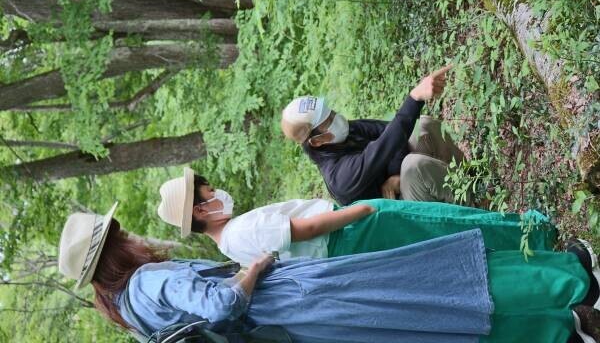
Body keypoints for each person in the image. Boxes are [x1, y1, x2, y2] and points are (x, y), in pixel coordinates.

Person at [59, 203, 600, 342]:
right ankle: (572, 283)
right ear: (114, 252)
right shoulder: (150, 282)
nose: (132, 238)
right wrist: (255, 269)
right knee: (437, 281)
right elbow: (223, 304)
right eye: (121, 237)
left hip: (304, 327)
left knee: (430, 324)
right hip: (306, 299)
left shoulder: (134, 315)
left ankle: (559, 329)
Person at [157, 168, 557, 267]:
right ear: (199, 210)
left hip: (346, 246)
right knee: (439, 221)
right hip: (351, 230)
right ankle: (532, 232)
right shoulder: (241, 230)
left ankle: (526, 246)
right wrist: (363, 210)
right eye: (208, 191)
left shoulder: (230, 249)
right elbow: (304, 228)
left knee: (438, 239)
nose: (216, 192)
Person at [280, 64, 467, 206]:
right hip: (402, 213)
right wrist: (415, 97)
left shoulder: (345, 132)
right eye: (327, 120)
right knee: (413, 167)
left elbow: (392, 133)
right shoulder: (341, 177)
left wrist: (394, 175)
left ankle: (470, 177)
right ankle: (474, 205)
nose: (335, 117)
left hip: (401, 185)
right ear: (317, 141)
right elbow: (388, 142)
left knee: (425, 127)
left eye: (331, 111)